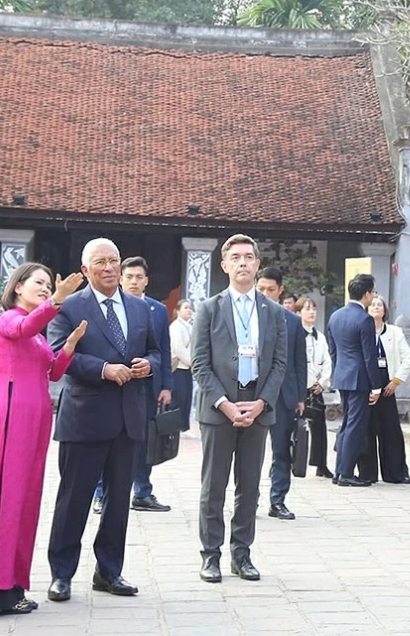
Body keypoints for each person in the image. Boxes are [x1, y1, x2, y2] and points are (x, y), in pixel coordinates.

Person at [44, 238, 166, 603]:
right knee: (74, 499)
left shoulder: (140, 308)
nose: (110, 268)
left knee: (117, 503)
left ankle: (109, 570)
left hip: (129, 417)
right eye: (101, 262)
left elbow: (157, 352)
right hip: (84, 416)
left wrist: (151, 366)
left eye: (114, 261)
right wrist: (102, 369)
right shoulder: (68, 307)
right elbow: (56, 354)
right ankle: (61, 574)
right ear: (85, 270)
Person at [0, 264, 86, 616]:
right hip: (13, 417)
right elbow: (24, 326)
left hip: (35, 420)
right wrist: (58, 301)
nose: (47, 289)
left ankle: (13, 585)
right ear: (18, 286)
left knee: (26, 501)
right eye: (40, 283)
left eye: (50, 286)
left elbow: (53, 372)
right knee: (8, 498)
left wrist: (71, 347)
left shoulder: (36, 333)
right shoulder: (8, 320)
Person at [192, 234, 287, 583]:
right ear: (224, 265)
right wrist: (225, 404)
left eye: (249, 257)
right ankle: (210, 555)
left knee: (249, 486)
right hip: (219, 408)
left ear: (258, 264)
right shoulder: (209, 309)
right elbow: (200, 364)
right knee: (213, 486)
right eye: (236, 257)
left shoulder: (274, 312)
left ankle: (242, 554)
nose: (243, 263)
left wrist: (261, 403)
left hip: (257, 405)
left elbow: (280, 364)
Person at [91, 256, 174, 515]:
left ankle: (142, 491)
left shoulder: (157, 310)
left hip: (146, 388)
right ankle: (100, 492)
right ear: (120, 278)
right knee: (107, 439)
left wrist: (166, 385)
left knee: (143, 442)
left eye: (139, 277)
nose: (134, 281)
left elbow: (163, 349)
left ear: (146, 280)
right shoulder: (107, 307)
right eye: (129, 277)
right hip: (112, 386)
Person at [256, 266, 307, 521]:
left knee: (281, 452)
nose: (266, 293)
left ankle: (278, 501)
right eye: (261, 289)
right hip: (251, 394)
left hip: (283, 396)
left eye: (271, 290)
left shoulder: (294, 322)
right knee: (249, 452)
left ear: (281, 290)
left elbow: (300, 361)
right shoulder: (247, 315)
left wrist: (300, 397)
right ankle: (248, 499)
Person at [327, 273, 382, 488]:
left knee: (347, 423)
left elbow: (333, 352)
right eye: (373, 292)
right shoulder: (365, 319)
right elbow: (370, 356)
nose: (373, 296)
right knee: (354, 426)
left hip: (342, 375)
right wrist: (376, 385)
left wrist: (338, 372)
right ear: (367, 293)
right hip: (359, 378)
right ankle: (346, 473)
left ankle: (339, 470)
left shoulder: (336, 316)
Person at [358, 295, 410, 484]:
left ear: (385, 310)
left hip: (387, 383)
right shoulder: (362, 330)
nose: (376, 307)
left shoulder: (395, 332)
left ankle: (396, 473)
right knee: (366, 430)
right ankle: (367, 473)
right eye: (372, 304)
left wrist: (396, 381)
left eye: (379, 305)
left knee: (391, 430)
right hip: (366, 385)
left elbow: (408, 359)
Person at [297, 297, 334, 479]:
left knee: (319, 427)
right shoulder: (295, 335)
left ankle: (321, 464)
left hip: (315, 389)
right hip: (298, 389)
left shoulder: (320, 337)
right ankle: (290, 462)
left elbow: (327, 362)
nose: (311, 312)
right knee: (292, 427)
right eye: (306, 309)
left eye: (313, 309)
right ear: (298, 313)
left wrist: (322, 383)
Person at [169, 299, 194, 432]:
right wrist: (192, 362)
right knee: (178, 399)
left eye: (190, 308)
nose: (189, 310)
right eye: (185, 308)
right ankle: (174, 427)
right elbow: (178, 348)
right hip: (178, 367)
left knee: (186, 398)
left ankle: (184, 427)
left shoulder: (190, 326)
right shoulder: (175, 327)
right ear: (178, 311)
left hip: (187, 369)